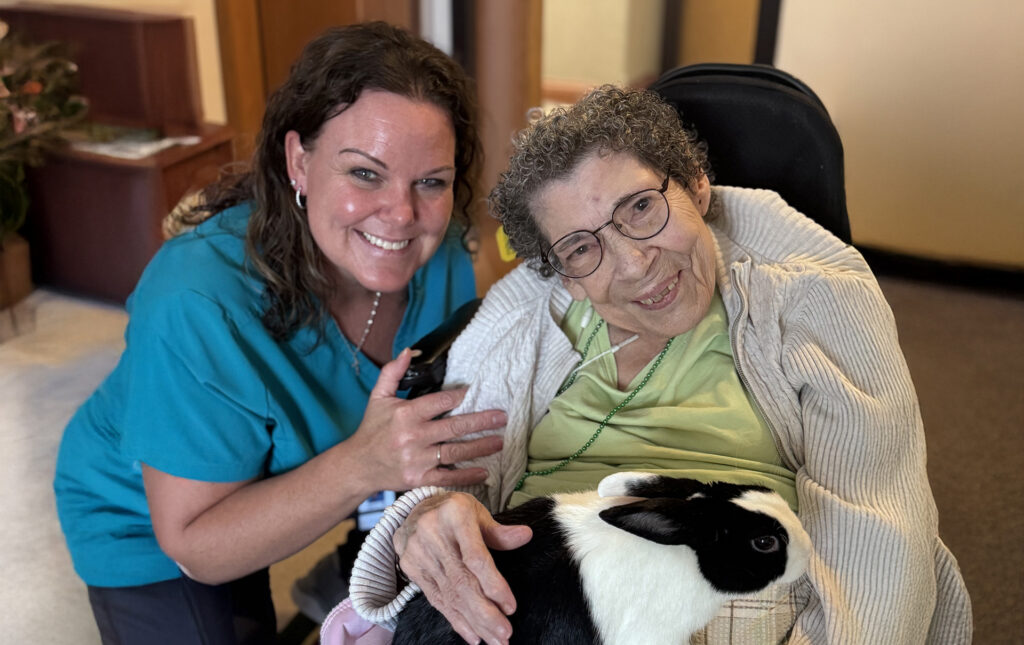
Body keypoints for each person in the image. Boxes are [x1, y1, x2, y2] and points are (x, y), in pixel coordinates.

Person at [338, 86, 973, 644]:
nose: (636, 265)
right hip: (536, 606)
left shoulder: (810, 303)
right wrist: (425, 519)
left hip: (740, 605)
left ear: (696, 183)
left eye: (641, 208)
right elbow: (451, 492)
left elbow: (879, 532)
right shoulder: (521, 332)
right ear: (561, 275)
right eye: (583, 248)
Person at [52, 22, 507, 645]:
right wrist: (364, 465)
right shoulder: (196, 300)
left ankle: (343, 571)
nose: (402, 214)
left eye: (431, 181)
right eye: (366, 174)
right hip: (157, 522)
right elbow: (197, 547)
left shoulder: (446, 251)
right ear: (299, 160)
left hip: (327, 472)